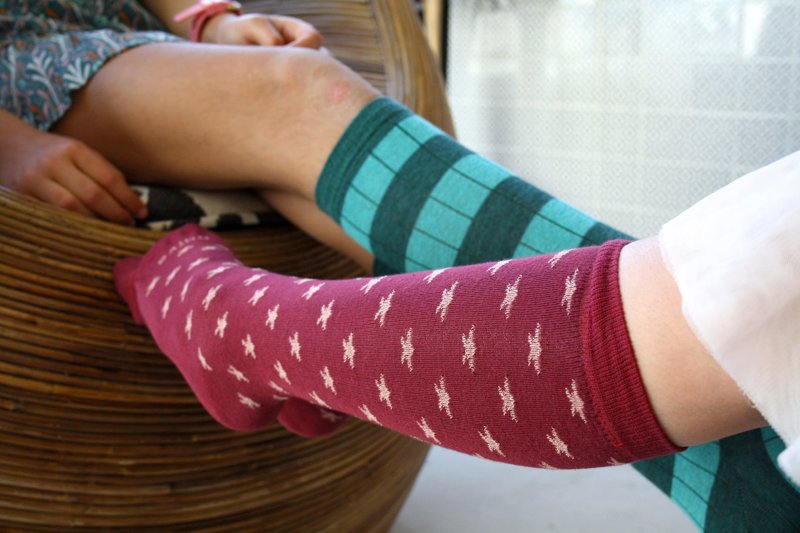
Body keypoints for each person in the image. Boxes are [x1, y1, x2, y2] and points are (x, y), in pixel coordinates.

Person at [2, 1, 799, 529]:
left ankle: (246, 331)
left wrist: (208, 17)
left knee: (335, 149)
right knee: (304, 98)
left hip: (143, 40)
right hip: (32, 63)